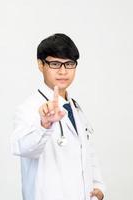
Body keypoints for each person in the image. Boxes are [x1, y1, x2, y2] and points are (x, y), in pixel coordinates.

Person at [11, 33, 105, 200]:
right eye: (55, 64)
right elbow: (23, 148)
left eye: (69, 64)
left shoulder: (74, 107)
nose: (63, 71)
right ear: (41, 65)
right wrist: (44, 125)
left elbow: (87, 151)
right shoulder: (29, 108)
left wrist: (98, 186)